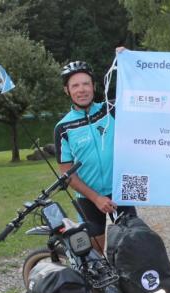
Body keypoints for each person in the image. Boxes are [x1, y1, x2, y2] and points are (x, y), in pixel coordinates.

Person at [54, 57, 135, 252]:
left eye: (85, 84)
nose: (81, 89)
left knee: (132, 244)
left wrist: (128, 59)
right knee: (96, 253)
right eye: (75, 86)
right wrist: (96, 198)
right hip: (88, 197)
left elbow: (137, 91)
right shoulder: (63, 127)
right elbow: (67, 174)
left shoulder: (111, 109)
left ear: (93, 86)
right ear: (67, 90)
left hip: (121, 188)